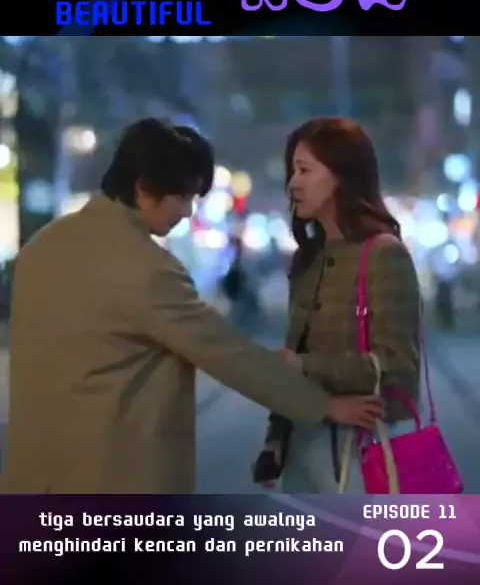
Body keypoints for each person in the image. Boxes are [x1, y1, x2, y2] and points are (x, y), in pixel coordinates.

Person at [2, 118, 383, 494]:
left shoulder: (41, 247)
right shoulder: (146, 269)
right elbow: (229, 354)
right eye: (183, 197)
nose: (187, 212)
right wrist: (323, 405)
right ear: (144, 188)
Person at [253, 117, 421, 493]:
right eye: (292, 171)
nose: (292, 183)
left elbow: (397, 365)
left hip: (364, 449)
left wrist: (304, 366)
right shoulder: (308, 258)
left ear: (341, 176)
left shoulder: (383, 254)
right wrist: (276, 437)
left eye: (304, 170)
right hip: (303, 448)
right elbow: (295, 348)